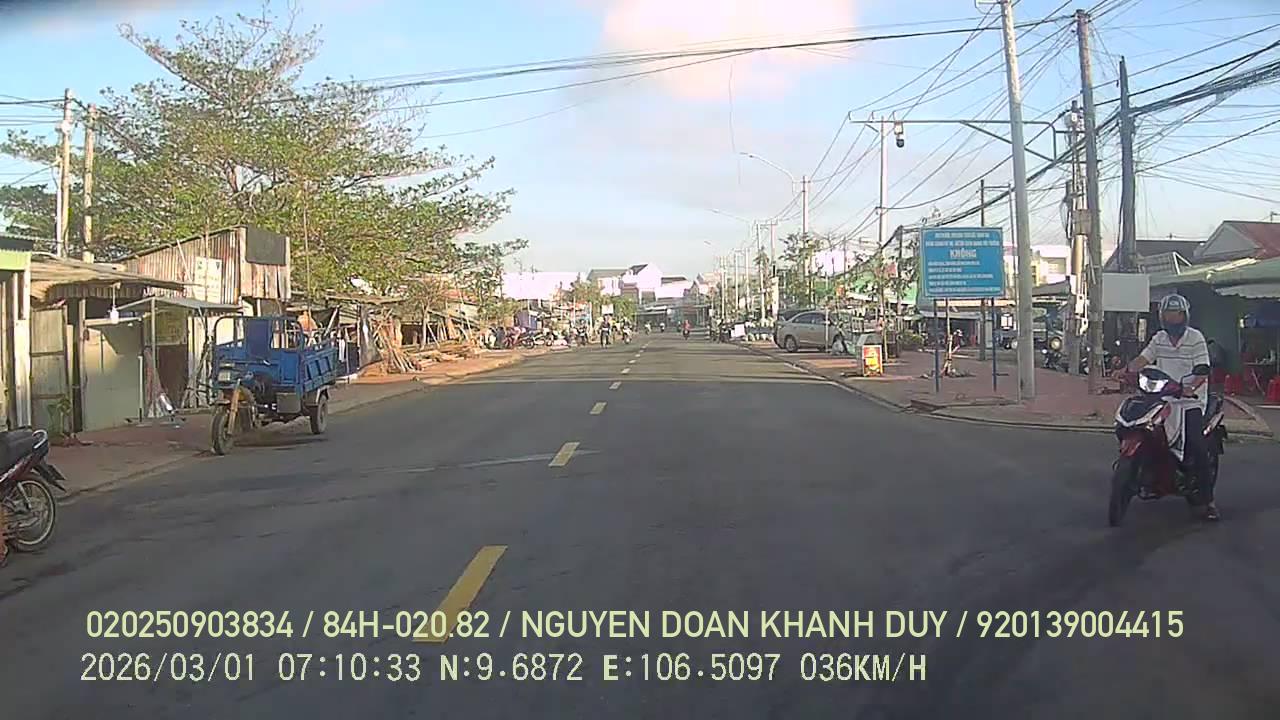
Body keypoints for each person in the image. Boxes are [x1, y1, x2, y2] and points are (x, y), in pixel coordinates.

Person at [1121, 293, 1218, 521]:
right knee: (1140, 424)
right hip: (1162, 398)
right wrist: (1126, 370)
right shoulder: (1159, 338)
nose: (1172, 318)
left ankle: (1208, 501)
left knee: (1197, 446)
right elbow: (1143, 359)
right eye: (1167, 314)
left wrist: (1191, 387)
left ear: (1184, 316)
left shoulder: (1195, 338)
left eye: (1176, 314)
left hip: (1190, 401)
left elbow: (1202, 369)